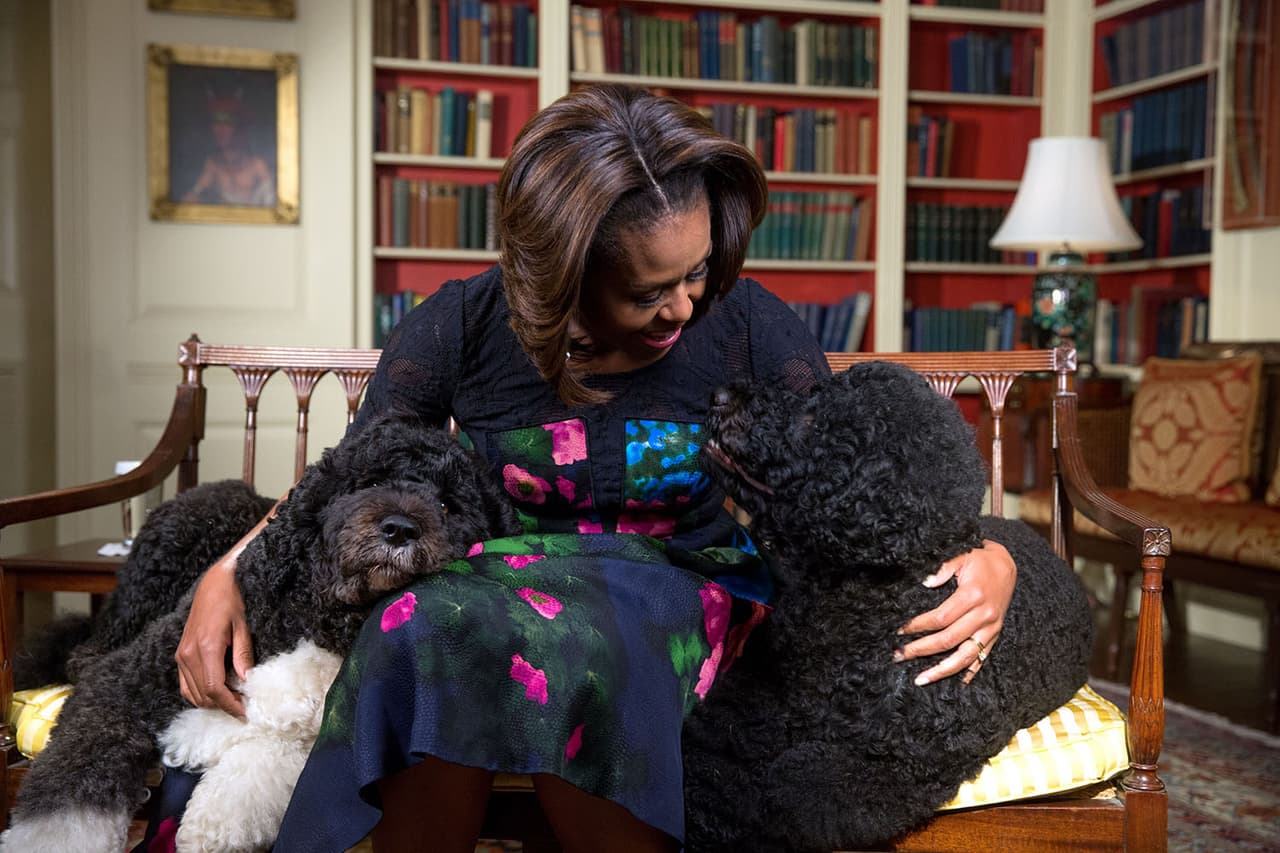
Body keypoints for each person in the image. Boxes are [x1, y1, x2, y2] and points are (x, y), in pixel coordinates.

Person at [167, 84, 1017, 853]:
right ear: (560, 279)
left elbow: (852, 471)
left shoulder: (746, 323)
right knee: (422, 625)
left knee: (581, 641)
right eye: (650, 290)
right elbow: (354, 472)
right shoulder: (464, 324)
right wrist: (229, 570)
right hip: (491, 584)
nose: (685, 304)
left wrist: (990, 552)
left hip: (683, 583)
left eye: (696, 271)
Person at [180, 90, 276, 207]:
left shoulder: (257, 165)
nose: (220, 130)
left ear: (240, 129)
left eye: (227, 123)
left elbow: (272, 204)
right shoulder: (213, 164)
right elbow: (195, 194)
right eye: (216, 123)